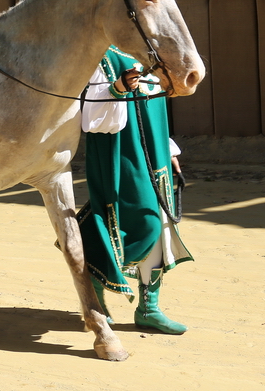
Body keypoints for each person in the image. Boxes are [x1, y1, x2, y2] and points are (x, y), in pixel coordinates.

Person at [80, 48, 192, 335]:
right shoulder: (104, 56)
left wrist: (168, 149)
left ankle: (148, 308)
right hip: (121, 152)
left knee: (161, 223)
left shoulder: (151, 53)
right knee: (143, 219)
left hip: (155, 153)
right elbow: (92, 118)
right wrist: (117, 89)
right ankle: (96, 286)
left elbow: (152, 109)